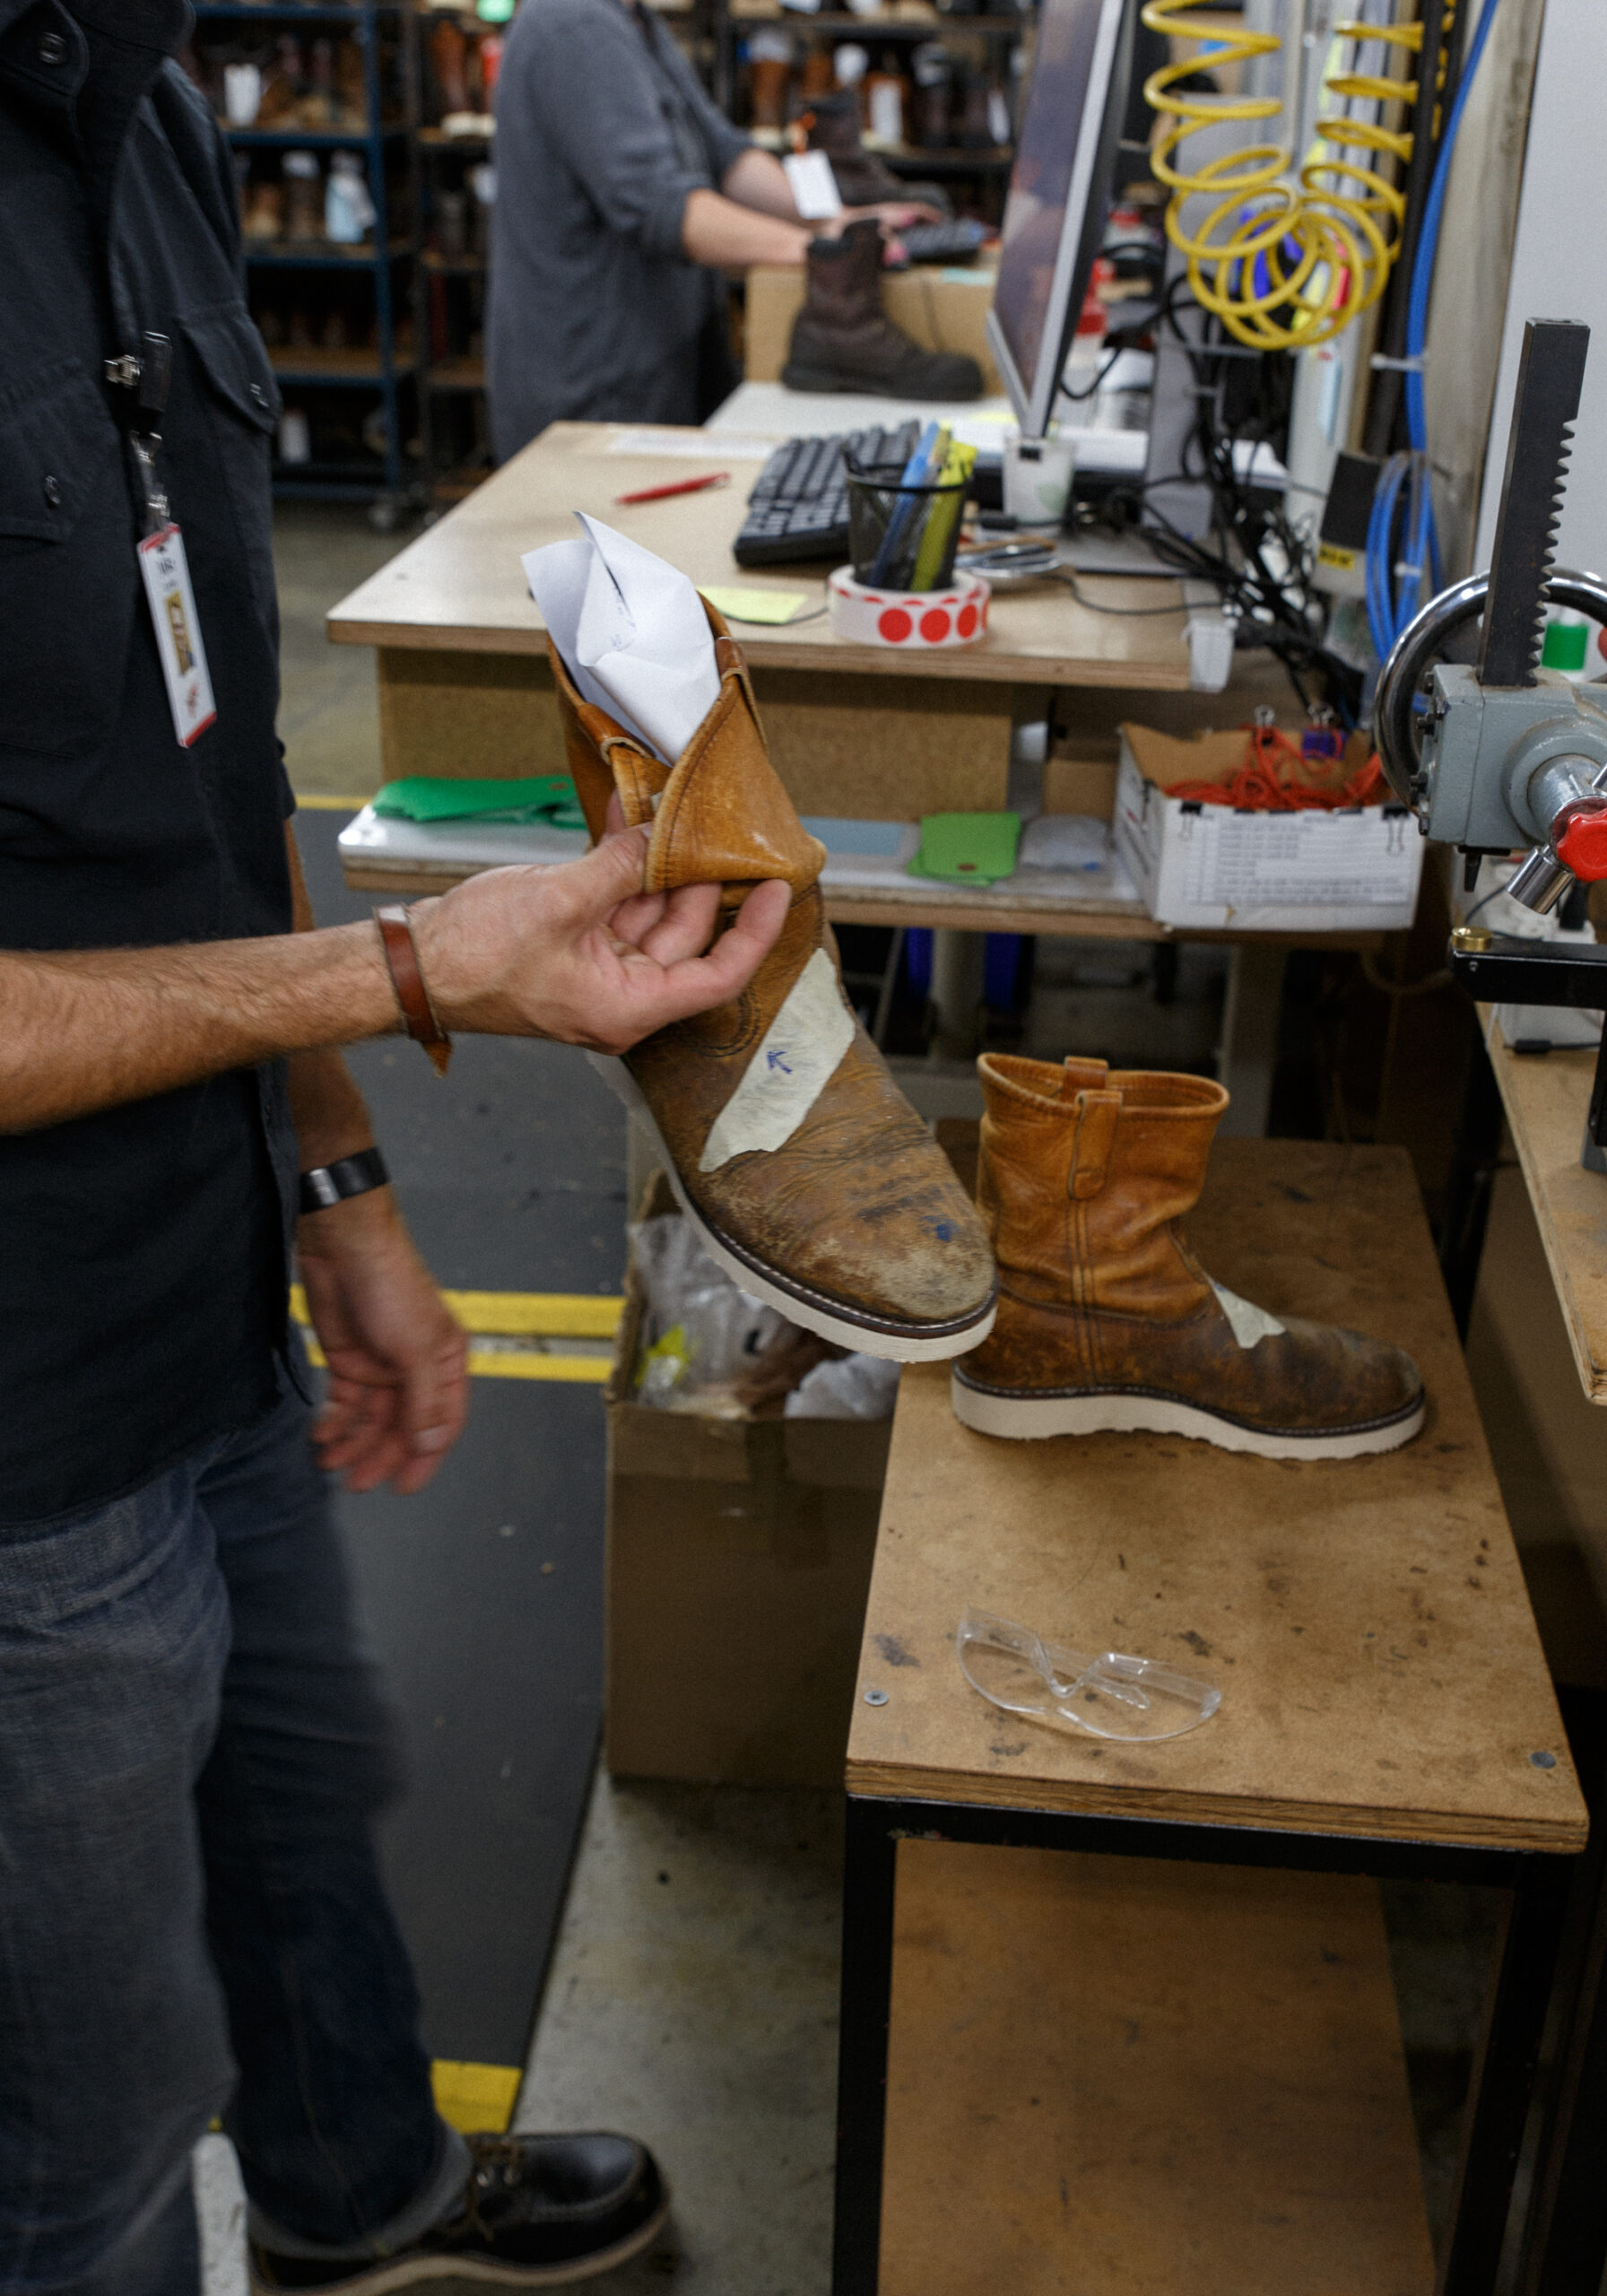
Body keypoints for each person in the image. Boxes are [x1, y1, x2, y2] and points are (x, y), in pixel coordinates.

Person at [0, 5, 789, 2292]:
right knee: (86, 2127)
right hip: (27, 1421)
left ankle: (361, 2199)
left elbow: (209, 738)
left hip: (207, 1263)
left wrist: (336, 1178)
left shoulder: (136, 118)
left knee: (294, 1807)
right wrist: (415, 968)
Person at [485, 0, 947, 458]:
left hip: (653, 363)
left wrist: (834, 218)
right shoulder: (573, 25)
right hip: (592, 383)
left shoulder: (636, 21)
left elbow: (725, 154)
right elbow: (658, 204)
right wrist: (818, 249)